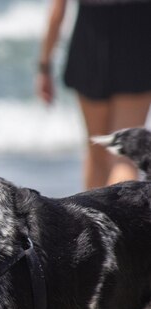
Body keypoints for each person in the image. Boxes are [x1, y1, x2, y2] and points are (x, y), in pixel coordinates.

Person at [36, 0, 151, 189]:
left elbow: (57, 11)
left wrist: (44, 66)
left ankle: (90, 218)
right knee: (123, 157)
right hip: (138, 36)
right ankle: (123, 217)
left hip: (89, 38)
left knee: (96, 152)